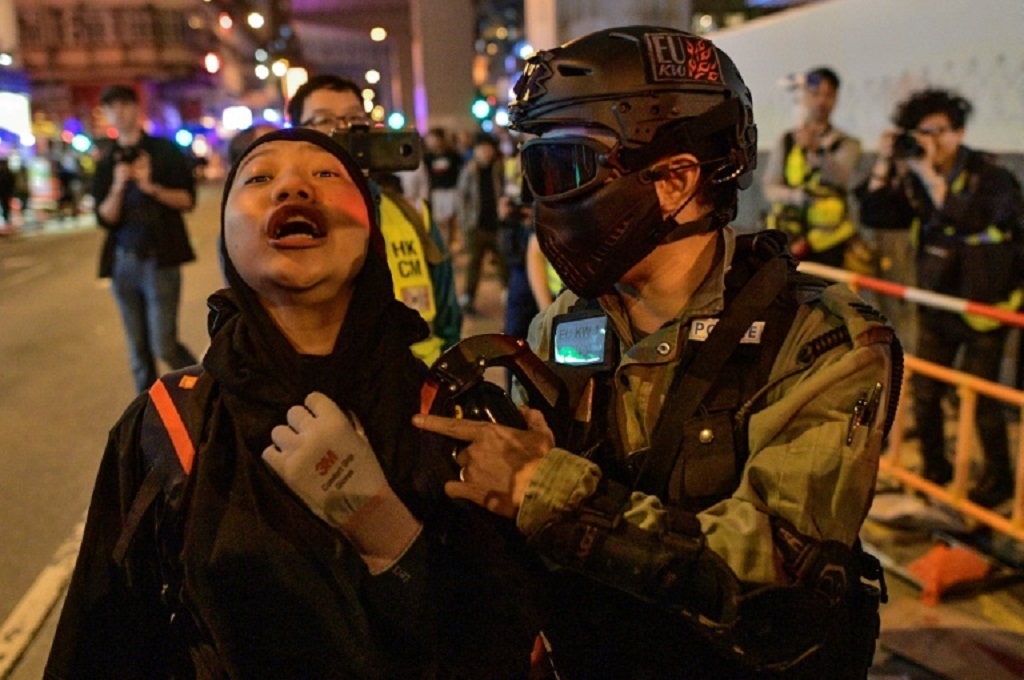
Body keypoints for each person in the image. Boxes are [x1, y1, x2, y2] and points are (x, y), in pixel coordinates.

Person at [414, 26, 899, 679]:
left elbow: (776, 563)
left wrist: (541, 488)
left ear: (673, 180)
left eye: (562, 170)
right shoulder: (562, 323)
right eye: (536, 171)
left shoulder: (822, 339)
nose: (544, 199)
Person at [46, 128, 540, 678]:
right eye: (259, 178)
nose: (292, 189)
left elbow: (509, 645)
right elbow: (101, 648)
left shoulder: (460, 420)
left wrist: (389, 538)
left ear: (371, 230)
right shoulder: (168, 426)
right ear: (227, 237)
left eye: (327, 175)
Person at [858, 89, 1024, 508]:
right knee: (927, 392)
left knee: (983, 399)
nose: (932, 141)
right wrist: (885, 163)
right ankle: (934, 470)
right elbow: (875, 214)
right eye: (923, 132)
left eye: (940, 132)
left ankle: (997, 482)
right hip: (939, 301)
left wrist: (932, 180)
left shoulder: (992, 175)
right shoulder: (914, 174)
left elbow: (965, 218)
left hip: (988, 304)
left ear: (960, 131)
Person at [287, 74, 461, 364]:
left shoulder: (414, 214)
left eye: (354, 118)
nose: (344, 130)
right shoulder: (284, 224)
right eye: (325, 120)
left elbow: (449, 317)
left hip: (419, 385)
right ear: (298, 135)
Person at [93, 84, 198, 393]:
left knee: (163, 344)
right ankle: (147, 418)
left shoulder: (164, 151)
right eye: (112, 107)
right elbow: (104, 218)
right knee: (138, 352)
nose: (119, 112)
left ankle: (204, 389)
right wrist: (118, 185)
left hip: (160, 260)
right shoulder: (106, 161)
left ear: (136, 109)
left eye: (124, 105)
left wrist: (151, 186)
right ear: (108, 114)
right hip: (123, 263)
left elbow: (187, 200)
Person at [763, 67, 862, 268]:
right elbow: (770, 187)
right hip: (789, 239)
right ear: (805, 97)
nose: (821, 101)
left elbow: (841, 178)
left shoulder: (847, 144)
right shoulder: (786, 141)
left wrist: (817, 150)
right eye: (816, 94)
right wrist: (795, 197)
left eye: (829, 95)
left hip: (829, 244)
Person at [456, 132, 507, 316]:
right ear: (475, 151)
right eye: (481, 148)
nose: (485, 152)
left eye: (488, 148)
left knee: (504, 263)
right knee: (473, 264)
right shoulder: (469, 170)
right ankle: (468, 299)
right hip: (475, 226)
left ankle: (507, 297)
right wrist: (465, 223)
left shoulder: (499, 169)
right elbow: (461, 198)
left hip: (497, 225)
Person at [423, 127, 464, 252]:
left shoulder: (452, 155)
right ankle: (442, 244)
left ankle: (450, 243)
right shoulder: (428, 158)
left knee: (451, 219)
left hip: (451, 190)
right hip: (437, 192)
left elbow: (461, 170)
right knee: (439, 221)